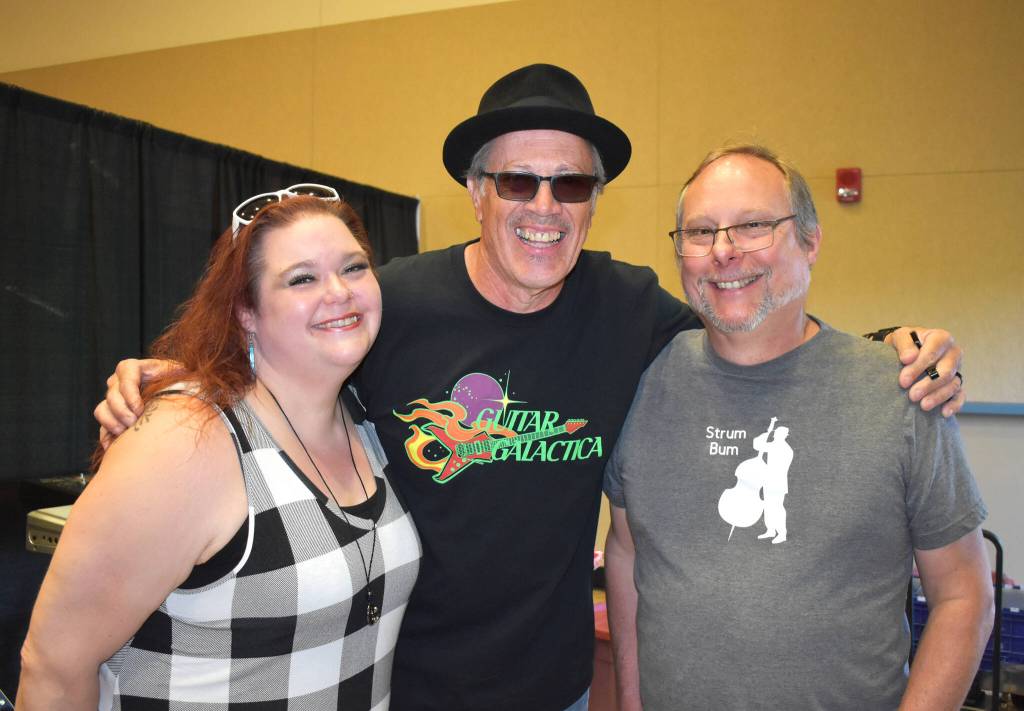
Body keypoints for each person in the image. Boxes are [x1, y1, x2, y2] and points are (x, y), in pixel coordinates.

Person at [94, 66, 966, 711]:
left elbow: (749, 314)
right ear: (476, 191)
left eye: (571, 182)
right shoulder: (389, 303)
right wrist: (177, 382)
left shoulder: (629, 309)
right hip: (402, 687)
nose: (543, 204)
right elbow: (277, 356)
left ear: (592, 201)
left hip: (557, 693)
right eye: (517, 179)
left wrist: (891, 346)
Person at [603, 145, 993, 710]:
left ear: (811, 241)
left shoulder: (902, 393)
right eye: (701, 232)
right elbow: (626, 553)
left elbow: (964, 596)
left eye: (754, 226)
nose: (724, 252)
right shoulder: (643, 381)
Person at [19, 189, 421, 710]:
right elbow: (52, 666)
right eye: (302, 278)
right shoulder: (185, 440)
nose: (339, 292)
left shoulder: (365, 419)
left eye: (354, 267)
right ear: (246, 310)